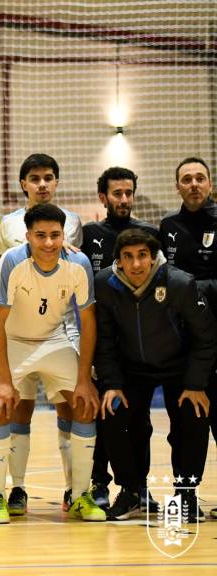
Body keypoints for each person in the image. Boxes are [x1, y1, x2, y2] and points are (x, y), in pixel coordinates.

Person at [0, 203, 104, 524]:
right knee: (0, 406)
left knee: (83, 404)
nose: (49, 243)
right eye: (41, 236)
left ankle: (79, 494)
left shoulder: (78, 263)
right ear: (27, 236)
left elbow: (89, 322)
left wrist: (83, 378)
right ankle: (1, 493)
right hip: (13, 342)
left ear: (63, 235)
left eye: (55, 235)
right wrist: (4, 381)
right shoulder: (12, 261)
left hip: (54, 341)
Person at [94, 229, 215, 523]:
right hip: (132, 367)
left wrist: (196, 384)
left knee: (193, 416)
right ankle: (132, 492)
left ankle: (186, 493)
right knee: (114, 412)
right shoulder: (104, 284)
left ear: (153, 257)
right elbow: (105, 340)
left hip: (179, 366)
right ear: (118, 261)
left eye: (142, 256)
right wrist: (111, 384)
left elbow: (207, 337)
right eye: (128, 257)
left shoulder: (179, 283)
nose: (136, 264)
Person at [0, 153, 83, 515]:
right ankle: (16, 489)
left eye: (48, 177)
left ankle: (72, 488)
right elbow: (8, 269)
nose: (42, 184)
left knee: (70, 406)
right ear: (23, 184)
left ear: (57, 182)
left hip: (61, 329)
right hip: (18, 330)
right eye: (35, 178)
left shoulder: (73, 221)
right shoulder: (7, 224)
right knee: (20, 408)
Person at [80, 166, 158, 509]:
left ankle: (139, 487)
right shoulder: (88, 234)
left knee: (140, 421)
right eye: (117, 193)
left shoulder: (148, 234)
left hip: (138, 343)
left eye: (128, 193)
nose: (124, 199)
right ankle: (99, 483)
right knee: (102, 415)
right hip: (100, 341)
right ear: (103, 197)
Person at [157, 156, 217, 520]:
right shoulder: (168, 226)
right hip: (181, 344)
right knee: (184, 427)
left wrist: (191, 289)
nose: (194, 184)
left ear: (210, 184)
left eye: (200, 178)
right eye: (186, 179)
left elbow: (181, 285)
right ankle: (186, 497)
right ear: (177, 186)